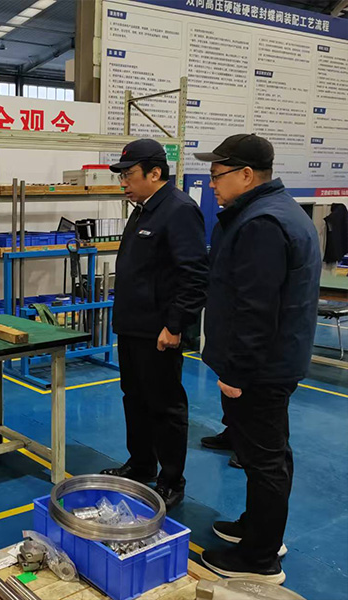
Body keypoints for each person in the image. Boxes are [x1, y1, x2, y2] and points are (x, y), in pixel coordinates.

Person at [194, 134, 320, 582]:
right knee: (261, 452)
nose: (212, 184)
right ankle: (258, 529)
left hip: (260, 368)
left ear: (246, 175)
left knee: (265, 459)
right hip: (272, 362)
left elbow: (256, 309)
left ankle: (260, 558)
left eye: (217, 175)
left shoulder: (261, 224)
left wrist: (237, 372)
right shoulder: (273, 212)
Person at [102, 139, 209, 510]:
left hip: (159, 331)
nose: (123, 182)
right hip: (132, 326)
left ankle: (171, 480)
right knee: (134, 398)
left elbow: (193, 275)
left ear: (155, 172)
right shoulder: (144, 209)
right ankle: (141, 464)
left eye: (129, 175)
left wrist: (175, 325)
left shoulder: (179, 210)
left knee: (165, 406)